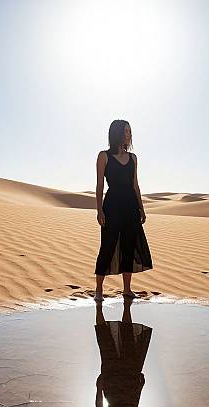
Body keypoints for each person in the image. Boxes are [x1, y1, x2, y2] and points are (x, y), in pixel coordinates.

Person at [94, 120, 153, 302]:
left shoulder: (133, 158)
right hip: (111, 206)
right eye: (126, 131)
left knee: (129, 246)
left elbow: (135, 185)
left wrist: (141, 208)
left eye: (130, 132)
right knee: (108, 246)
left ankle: (127, 289)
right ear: (117, 133)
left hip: (130, 206)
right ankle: (98, 290)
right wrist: (99, 211)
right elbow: (99, 186)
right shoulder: (104, 156)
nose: (129, 135)